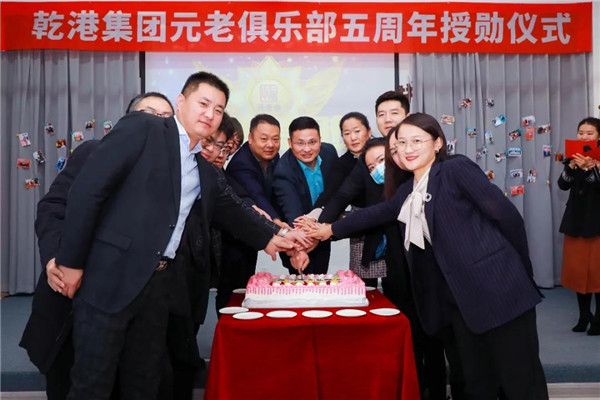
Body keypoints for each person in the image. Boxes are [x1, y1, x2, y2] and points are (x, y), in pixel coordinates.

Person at [52, 71, 295, 399]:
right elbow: (87, 190)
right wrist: (70, 262)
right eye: (203, 103)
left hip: (158, 287)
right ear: (181, 102)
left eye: (218, 109)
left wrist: (274, 238)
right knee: (92, 382)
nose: (210, 114)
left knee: (145, 382)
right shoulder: (145, 128)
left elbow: (233, 211)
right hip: (111, 278)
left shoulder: (202, 168)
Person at [308, 113, 548, 399]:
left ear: (437, 143)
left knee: (520, 379)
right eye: (400, 144)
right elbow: (375, 214)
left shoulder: (454, 169)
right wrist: (326, 230)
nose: (407, 149)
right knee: (477, 383)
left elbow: (507, 217)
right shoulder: (408, 191)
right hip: (461, 302)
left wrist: (520, 269)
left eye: (416, 141)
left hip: (499, 290)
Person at [19, 92, 175, 400]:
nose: (158, 123)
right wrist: (55, 260)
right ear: (129, 120)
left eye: (166, 118)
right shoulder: (94, 151)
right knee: (74, 381)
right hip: (78, 291)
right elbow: (53, 207)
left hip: (137, 302)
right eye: (150, 114)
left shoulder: (173, 171)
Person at [273, 116, 338, 274]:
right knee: (300, 281)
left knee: (321, 277)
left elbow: (335, 193)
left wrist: (319, 231)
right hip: (296, 236)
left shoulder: (329, 153)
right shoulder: (283, 170)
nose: (307, 149)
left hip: (322, 226)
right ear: (290, 143)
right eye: (300, 143)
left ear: (320, 140)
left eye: (312, 142)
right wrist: (299, 249)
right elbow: (293, 214)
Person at [558, 117, 600, 336]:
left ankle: (599, 318)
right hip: (575, 221)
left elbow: (596, 183)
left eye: (589, 133)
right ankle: (584, 315)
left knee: (597, 273)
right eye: (581, 132)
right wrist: (573, 166)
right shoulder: (573, 157)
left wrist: (588, 168)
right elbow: (562, 184)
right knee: (577, 272)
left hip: (597, 223)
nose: (584, 137)